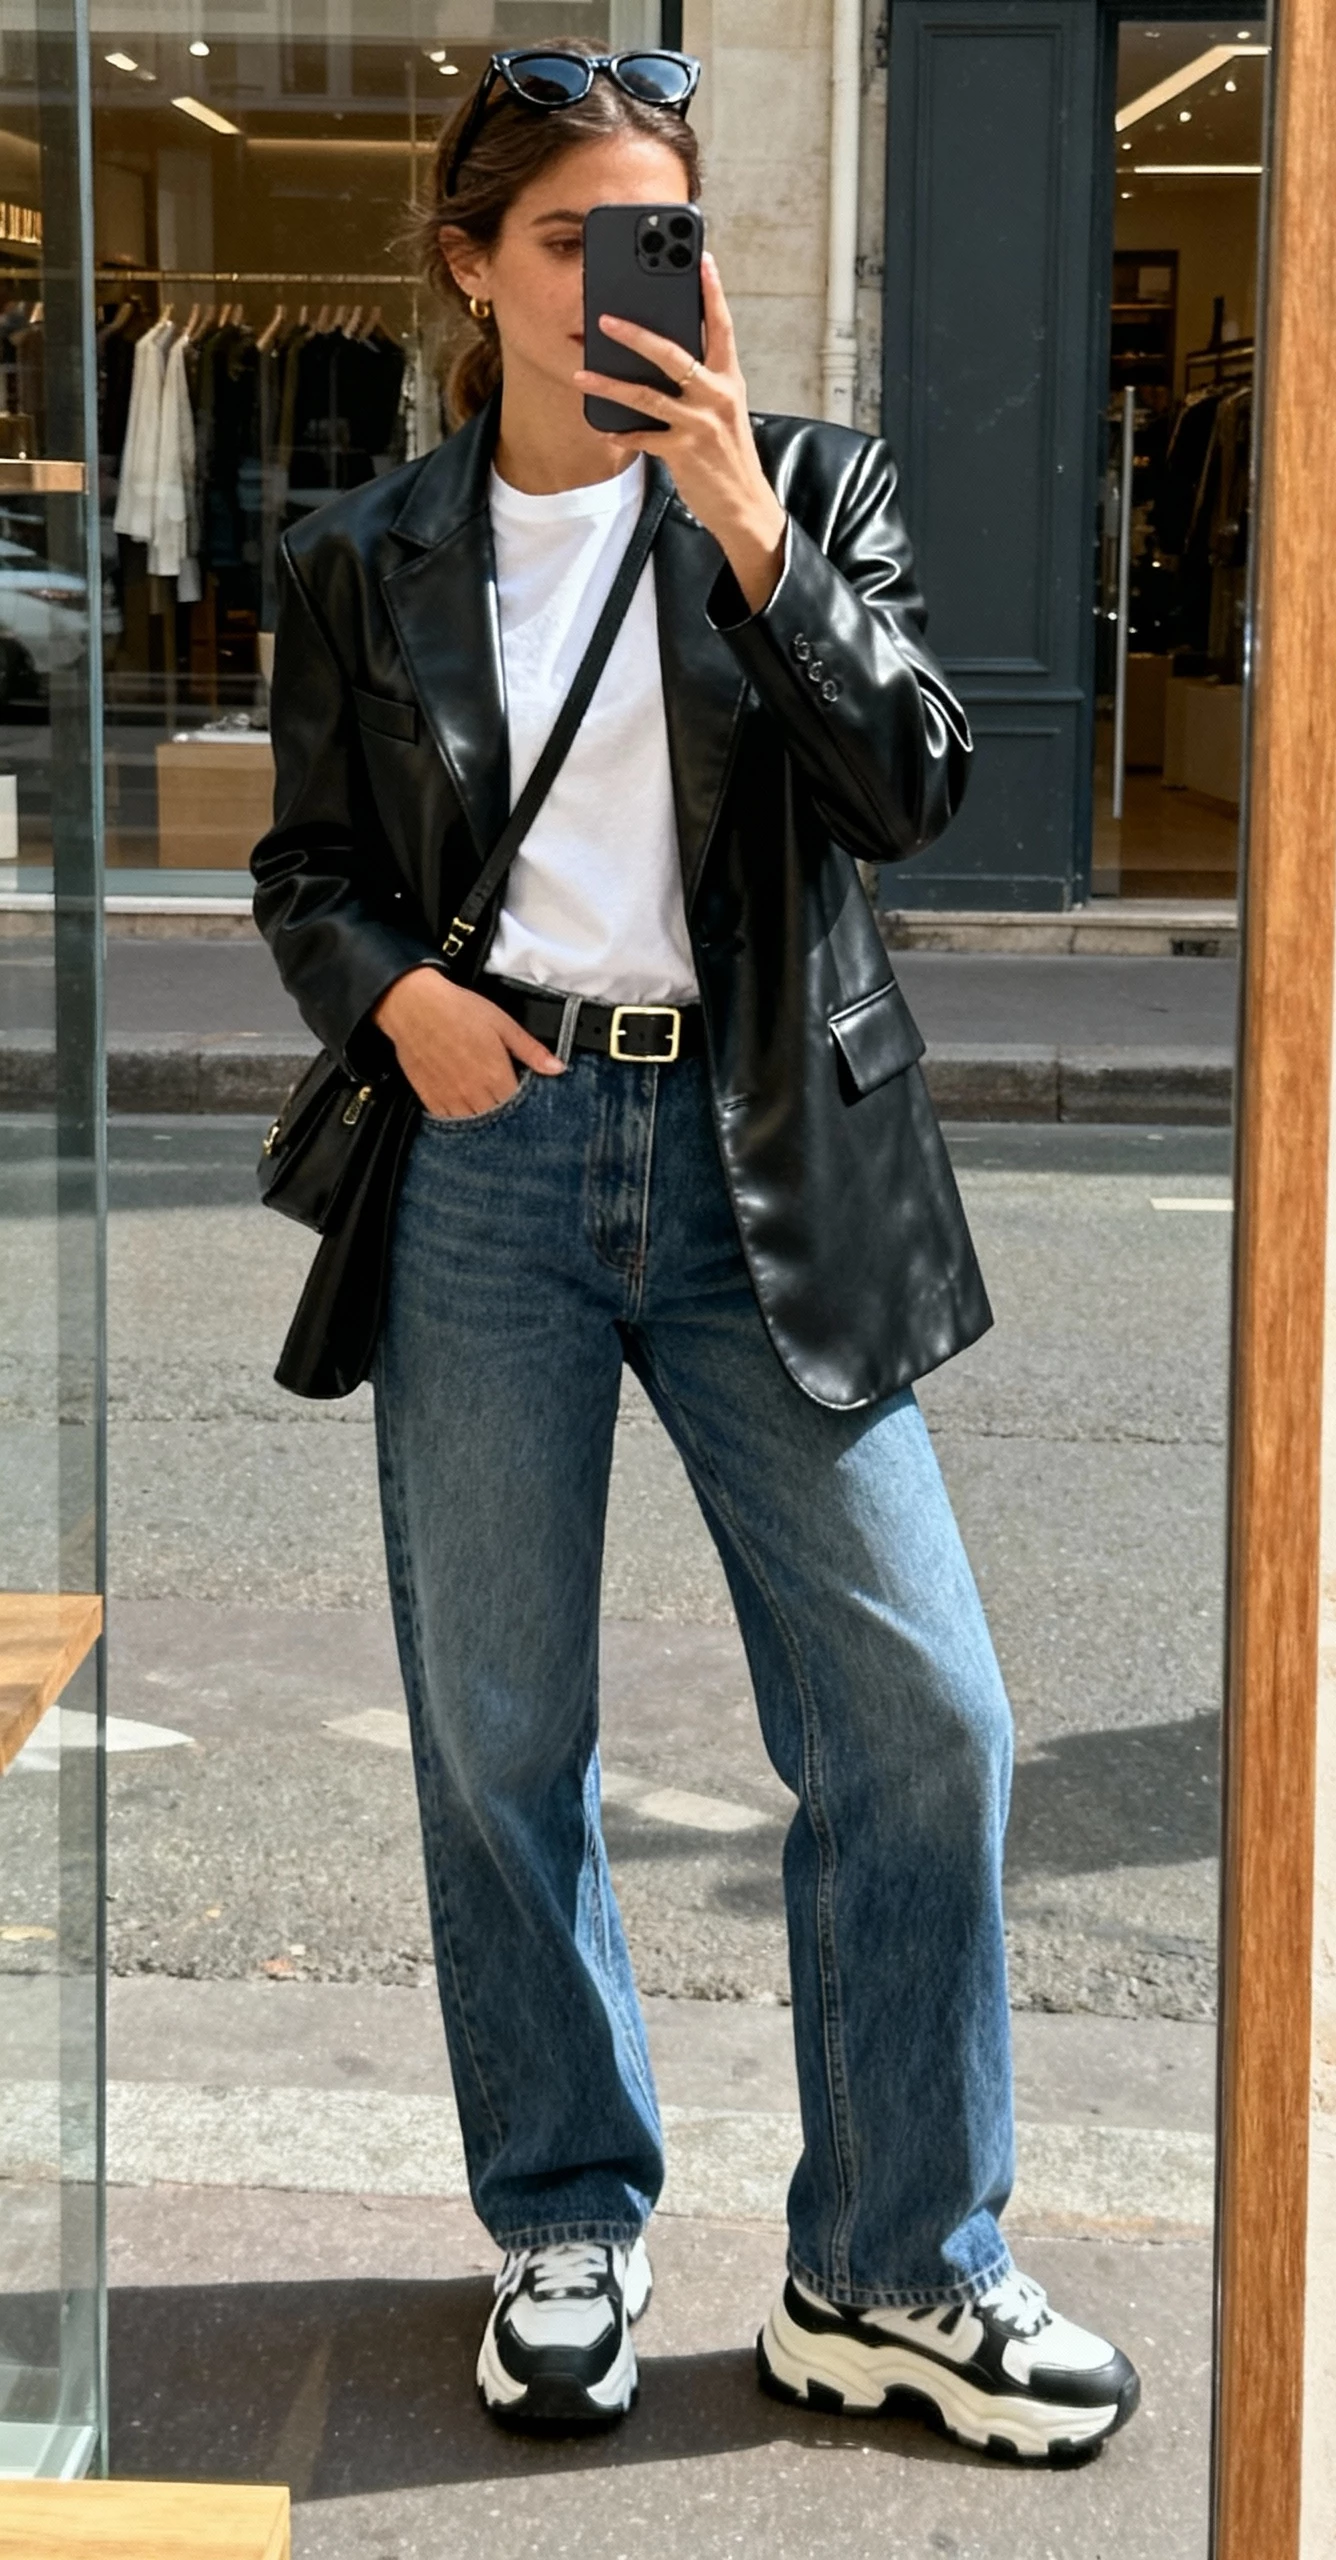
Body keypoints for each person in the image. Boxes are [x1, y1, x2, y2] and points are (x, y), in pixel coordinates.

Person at [251, 40, 1139, 2464]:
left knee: (924, 1719)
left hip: (766, 1167)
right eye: (576, 242)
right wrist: (404, 1002)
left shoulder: (805, 486)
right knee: (502, 1731)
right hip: (496, 1161)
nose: (638, 286)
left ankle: (896, 2264)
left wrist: (755, 531)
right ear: (472, 266)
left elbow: (919, 777)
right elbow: (305, 871)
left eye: (671, 239)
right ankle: (566, 2210)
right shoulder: (367, 552)